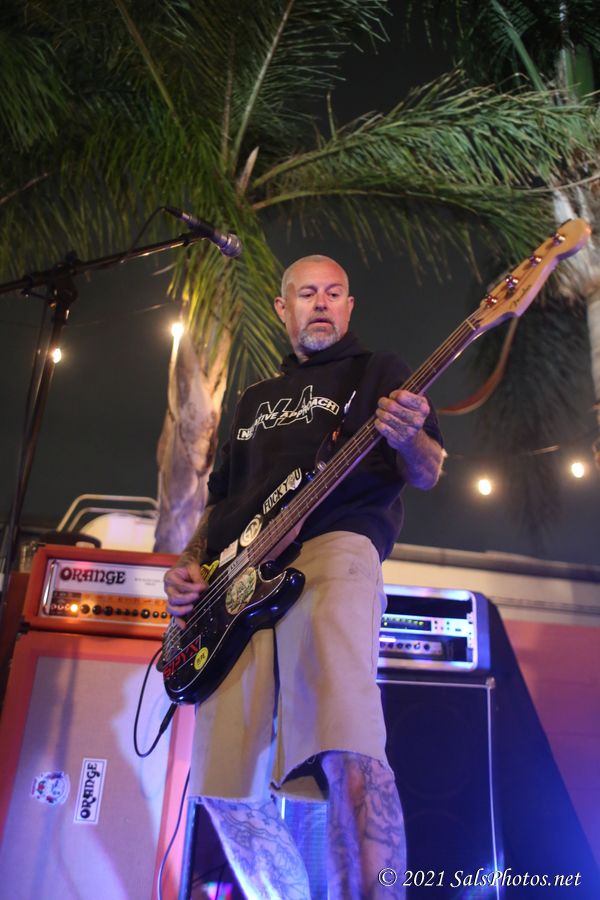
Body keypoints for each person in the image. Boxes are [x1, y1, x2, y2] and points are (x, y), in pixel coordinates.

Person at [164, 255, 444, 899]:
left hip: (332, 546)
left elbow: (428, 469)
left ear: (349, 307)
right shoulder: (252, 399)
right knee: (222, 788)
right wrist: (189, 562)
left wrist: (409, 437)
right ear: (282, 308)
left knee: (347, 747)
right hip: (233, 584)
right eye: (307, 293)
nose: (321, 303)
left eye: (334, 293)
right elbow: (220, 499)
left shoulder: (379, 372)